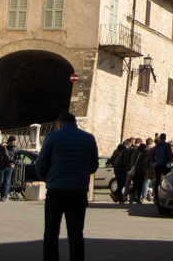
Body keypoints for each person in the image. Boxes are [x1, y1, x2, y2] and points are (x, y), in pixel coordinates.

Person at [36, 111, 99, 261]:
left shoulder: (52, 137)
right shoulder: (89, 139)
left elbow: (40, 165)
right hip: (78, 191)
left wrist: (49, 178)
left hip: (56, 190)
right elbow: (93, 166)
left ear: (60, 123)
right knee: (76, 234)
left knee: (51, 232)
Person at [151, 133, 173, 203]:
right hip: (164, 165)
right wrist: (167, 160)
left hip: (158, 165)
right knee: (167, 181)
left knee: (157, 181)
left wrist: (155, 161)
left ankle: (156, 198)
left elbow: (152, 156)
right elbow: (170, 154)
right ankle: (166, 196)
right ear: (165, 138)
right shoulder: (167, 145)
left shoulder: (156, 146)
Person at [0, 135, 19, 201]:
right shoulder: (4, 147)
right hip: (2, 166)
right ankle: (1, 194)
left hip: (9, 166)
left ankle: (4, 196)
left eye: (14, 143)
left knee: (7, 181)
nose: (13, 144)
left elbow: (17, 157)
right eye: (12, 142)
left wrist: (14, 164)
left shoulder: (15, 149)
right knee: (1, 181)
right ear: (9, 142)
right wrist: (1, 145)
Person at [108, 139, 129, 203]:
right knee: (123, 183)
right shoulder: (125, 151)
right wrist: (126, 167)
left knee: (119, 183)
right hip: (122, 168)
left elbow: (111, 159)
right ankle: (114, 193)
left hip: (116, 168)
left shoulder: (115, 151)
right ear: (127, 145)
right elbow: (125, 160)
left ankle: (120, 199)